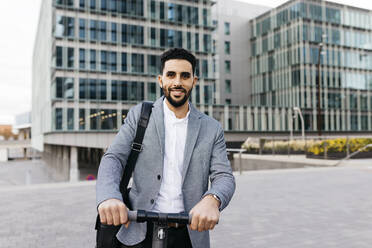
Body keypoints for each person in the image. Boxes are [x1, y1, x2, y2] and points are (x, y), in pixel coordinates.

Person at [96, 48, 235, 248]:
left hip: (188, 234)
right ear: (160, 80)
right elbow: (114, 158)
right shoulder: (140, 116)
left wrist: (213, 199)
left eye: (185, 76)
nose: (177, 82)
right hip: (138, 229)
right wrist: (109, 196)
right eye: (171, 75)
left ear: (194, 81)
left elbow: (224, 176)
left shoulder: (211, 128)